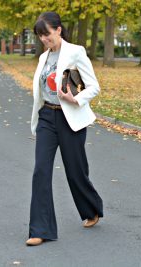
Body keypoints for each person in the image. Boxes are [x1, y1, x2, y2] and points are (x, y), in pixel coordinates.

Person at [26, 11, 103, 246]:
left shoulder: (75, 52)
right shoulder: (43, 58)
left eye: (47, 35)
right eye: (40, 36)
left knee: (75, 171)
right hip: (47, 117)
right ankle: (40, 229)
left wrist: (75, 98)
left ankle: (92, 209)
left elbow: (94, 87)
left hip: (70, 119)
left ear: (58, 30)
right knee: (41, 171)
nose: (44, 40)